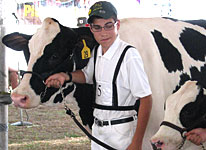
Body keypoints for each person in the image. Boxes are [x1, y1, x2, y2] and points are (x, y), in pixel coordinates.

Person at [45, 1, 152, 150]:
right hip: (98, 131)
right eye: (97, 27)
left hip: (122, 132)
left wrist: (136, 143)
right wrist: (66, 76)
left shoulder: (129, 55)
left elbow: (146, 99)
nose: (103, 32)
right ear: (91, 29)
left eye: (108, 25)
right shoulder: (97, 53)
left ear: (117, 25)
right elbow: (87, 75)